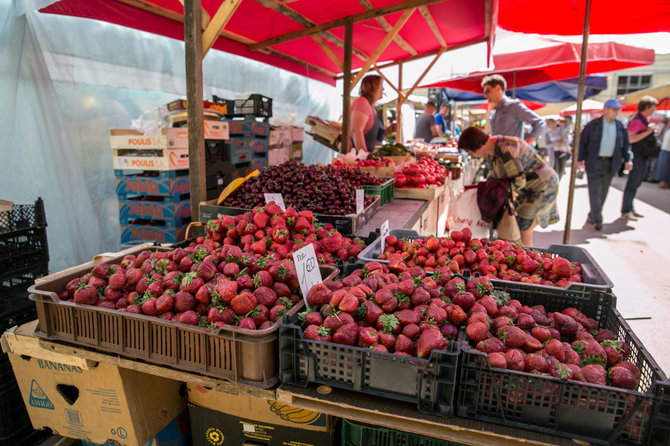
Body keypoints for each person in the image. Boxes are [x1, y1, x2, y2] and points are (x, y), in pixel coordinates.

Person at [458, 126, 559, 246]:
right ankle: (525, 255)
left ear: (479, 145)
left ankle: (529, 258)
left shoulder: (505, 149)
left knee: (524, 227)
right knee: (519, 225)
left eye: (470, 152)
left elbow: (519, 180)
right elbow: (494, 176)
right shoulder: (491, 151)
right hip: (528, 189)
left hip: (542, 186)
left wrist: (499, 191)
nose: (472, 156)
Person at [577, 99, 632, 230]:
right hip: (594, 162)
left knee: (604, 191)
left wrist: (628, 159)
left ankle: (593, 214)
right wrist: (579, 159)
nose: (617, 112)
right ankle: (597, 218)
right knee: (594, 190)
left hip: (611, 163)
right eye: (614, 109)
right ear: (606, 109)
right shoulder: (593, 125)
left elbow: (626, 145)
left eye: (618, 109)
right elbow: (582, 143)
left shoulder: (620, 126)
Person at [621, 96, 659, 220]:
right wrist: (647, 132)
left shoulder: (644, 120)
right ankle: (626, 210)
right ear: (647, 107)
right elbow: (630, 138)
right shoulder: (638, 121)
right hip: (637, 157)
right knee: (632, 184)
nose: (654, 110)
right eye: (653, 108)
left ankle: (630, 208)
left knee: (636, 184)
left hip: (643, 156)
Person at [481, 74, 546, 144]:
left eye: (487, 91)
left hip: (513, 154)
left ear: (498, 88)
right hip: (498, 154)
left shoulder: (512, 106)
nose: (485, 95)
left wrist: (526, 144)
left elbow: (539, 122)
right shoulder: (494, 113)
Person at [350, 75, 384, 152]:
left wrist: (389, 130)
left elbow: (375, 137)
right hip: (356, 157)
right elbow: (356, 130)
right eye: (380, 86)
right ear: (372, 88)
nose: (383, 89)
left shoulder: (372, 107)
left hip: (370, 155)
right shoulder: (361, 102)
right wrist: (364, 155)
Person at [655, 117, 670, 189]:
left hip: (665, 150)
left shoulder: (667, 130)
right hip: (667, 151)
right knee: (665, 168)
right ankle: (663, 183)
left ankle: (663, 182)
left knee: (664, 167)